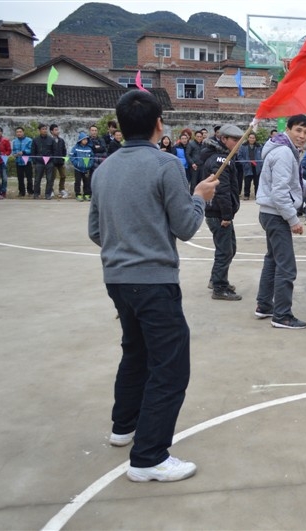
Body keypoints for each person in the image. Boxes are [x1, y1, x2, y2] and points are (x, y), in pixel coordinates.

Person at [88, 90, 219, 483]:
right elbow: (186, 225)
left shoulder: (103, 169)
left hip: (117, 279)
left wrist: (125, 244)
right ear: (159, 124)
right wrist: (200, 197)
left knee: (136, 351)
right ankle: (148, 457)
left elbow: (95, 230)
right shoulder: (166, 164)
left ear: (119, 125)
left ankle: (124, 426)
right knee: (170, 366)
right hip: (153, 281)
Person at [255, 114, 306, 330]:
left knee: (273, 260)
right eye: (298, 130)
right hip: (276, 214)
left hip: (271, 213)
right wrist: (292, 219)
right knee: (286, 267)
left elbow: (295, 182)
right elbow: (280, 192)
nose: (302, 135)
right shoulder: (284, 153)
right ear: (287, 129)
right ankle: (282, 315)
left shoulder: (287, 150)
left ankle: (264, 305)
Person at [200, 124, 243, 300]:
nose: (238, 143)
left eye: (240, 140)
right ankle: (219, 287)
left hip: (218, 212)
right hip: (218, 213)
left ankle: (216, 279)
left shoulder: (223, 157)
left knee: (229, 248)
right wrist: (226, 215)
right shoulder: (220, 161)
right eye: (234, 140)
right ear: (223, 139)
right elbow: (222, 190)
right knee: (225, 251)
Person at [31, 123, 56, 199]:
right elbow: (33, 152)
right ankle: (36, 194)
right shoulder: (35, 140)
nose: (45, 130)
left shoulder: (51, 140)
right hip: (39, 162)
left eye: (45, 129)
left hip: (49, 162)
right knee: (37, 179)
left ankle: (48, 194)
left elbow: (54, 151)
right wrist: (34, 161)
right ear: (39, 130)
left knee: (49, 179)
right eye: (43, 129)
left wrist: (52, 160)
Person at [70, 132, 94, 201]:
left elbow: (92, 158)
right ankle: (78, 194)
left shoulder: (89, 149)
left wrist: (89, 164)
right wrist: (77, 163)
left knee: (87, 182)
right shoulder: (75, 148)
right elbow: (72, 156)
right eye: (84, 139)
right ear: (80, 140)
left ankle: (87, 194)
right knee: (77, 182)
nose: (85, 141)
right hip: (78, 169)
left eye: (86, 139)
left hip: (86, 169)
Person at [238, 132, 263, 200]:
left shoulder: (259, 146)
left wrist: (261, 165)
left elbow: (263, 156)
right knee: (247, 182)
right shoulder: (243, 146)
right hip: (248, 167)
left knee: (257, 182)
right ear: (248, 138)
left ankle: (257, 195)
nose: (252, 139)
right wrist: (245, 163)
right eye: (250, 138)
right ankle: (246, 195)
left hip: (257, 167)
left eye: (253, 138)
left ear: (255, 139)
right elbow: (240, 156)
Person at [11, 127, 33, 197]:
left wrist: (24, 152)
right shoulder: (14, 141)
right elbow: (14, 150)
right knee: (20, 178)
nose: (19, 133)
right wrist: (14, 154)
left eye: (20, 132)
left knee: (29, 178)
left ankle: (30, 191)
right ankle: (21, 192)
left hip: (27, 161)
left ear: (23, 132)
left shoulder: (29, 140)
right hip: (18, 161)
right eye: (17, 132)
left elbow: (31, 150)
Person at [50, 124, 68, 198]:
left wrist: (63, 159)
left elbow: (64, 150)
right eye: (55, 130)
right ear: (51, 131)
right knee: (52, 177)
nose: (57, 131)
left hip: (60, 161)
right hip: (52, 162)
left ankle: (61, 189)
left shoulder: (61, 140)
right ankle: (50, 190)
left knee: (63, 176)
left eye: (58, 130)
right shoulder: (49, 140)